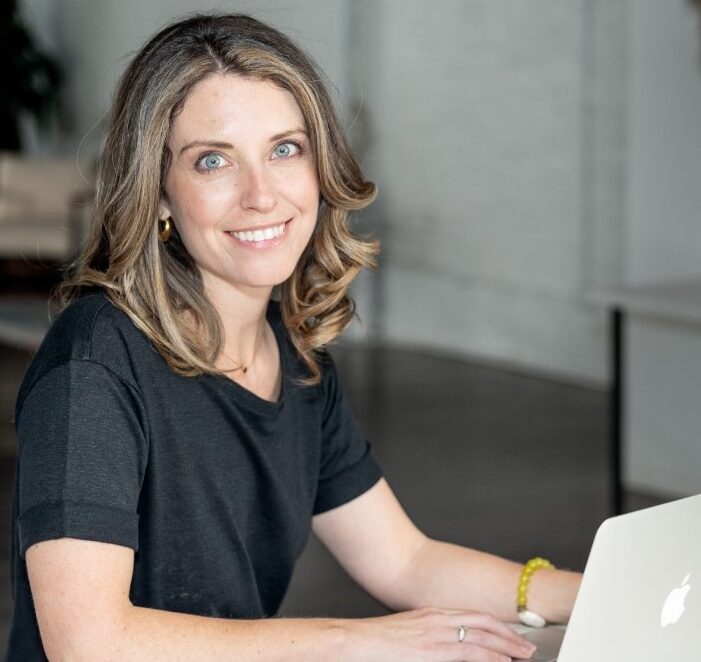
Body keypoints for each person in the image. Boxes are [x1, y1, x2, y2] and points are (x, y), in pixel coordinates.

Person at [5, 13, 581, 661]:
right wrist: (355, 639)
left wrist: (591, 592)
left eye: (285, 149)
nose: (261, 195)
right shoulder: (95, 364)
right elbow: (88, 642)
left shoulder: (296, 358)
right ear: (160, 193)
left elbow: (406, 561)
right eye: (213, 161)